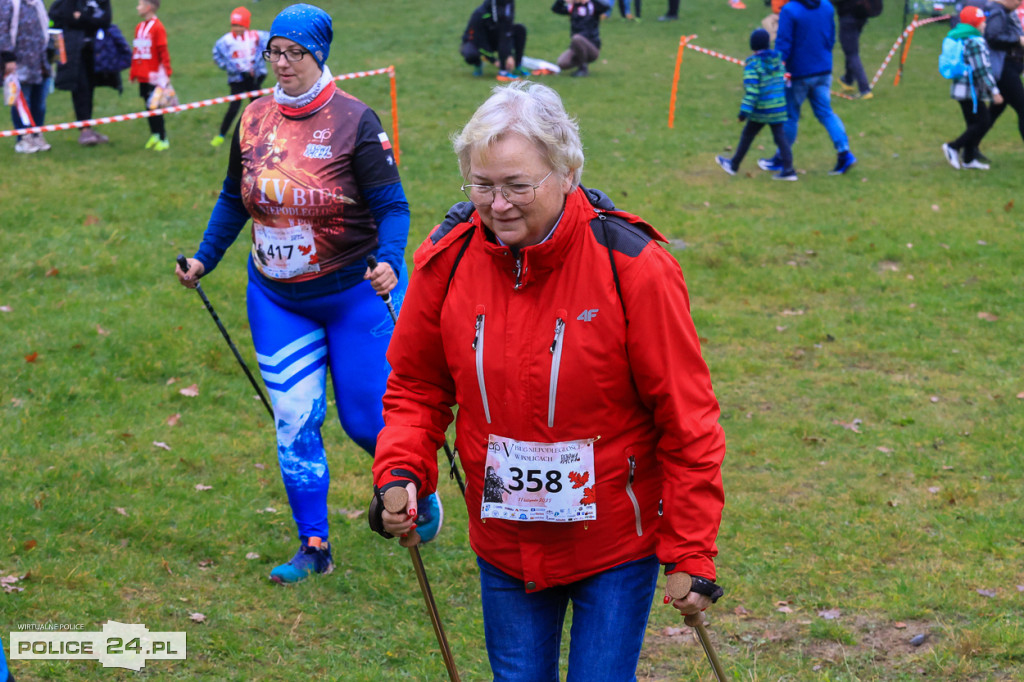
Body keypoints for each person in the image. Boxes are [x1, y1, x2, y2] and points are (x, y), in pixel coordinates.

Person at [368, 81, 726, 681]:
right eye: (482, 185)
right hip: (504, 541)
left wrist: (691, 549)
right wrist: (401, 470)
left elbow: (687, 420)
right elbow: (417, 386)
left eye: (517, 186)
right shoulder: (447, 260)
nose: (498, 205)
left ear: (567, 173)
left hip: (613, 544)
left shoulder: (634, 268)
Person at [174, 3, 435, 585]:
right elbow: (233, 197)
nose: (283, 62)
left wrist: (391, 261)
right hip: (278, 299)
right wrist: (204, 258)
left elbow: (393, 206)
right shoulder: (253, 118)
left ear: (320, 54)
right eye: (276, 51)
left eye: (296, 52)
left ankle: (415, 487)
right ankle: (313, 544)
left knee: (366, 423)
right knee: (295, 420)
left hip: (354, 295)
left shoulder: (355, 120)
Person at [761, 0, 857, 175]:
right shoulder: (826, 6)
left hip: (799, 73)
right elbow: (831, 37)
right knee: (826, 113)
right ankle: (844, 153)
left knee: (790, 116)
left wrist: (775, 68)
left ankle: (782, 158)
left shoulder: (790, 11)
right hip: (823, 69)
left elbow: (783, 44)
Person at [716, 28, 795, 179]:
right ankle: (789, 170)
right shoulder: (778, 61)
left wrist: (744, 112)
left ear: (753, 46)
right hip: (778, 107)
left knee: (747, 135)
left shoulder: (753, 65)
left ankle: (733, 165)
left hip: (761, 109)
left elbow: (752, 91)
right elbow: (782, 82)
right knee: (780, 138)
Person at [942, 6, 1002, 169]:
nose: (985, 24)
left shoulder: (962, 37)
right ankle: (953, 147)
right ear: (975, 24)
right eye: (982, 22)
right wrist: (994, 91)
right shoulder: (975, 43)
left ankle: (968, 159)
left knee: (973, 123)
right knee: (983, 122)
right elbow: (982, 70)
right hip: (970, 92)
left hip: (962, 90)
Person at [47, 0, 112, 146]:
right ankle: (84, 129)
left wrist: (82, 18)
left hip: (96, 51)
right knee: (80, 88)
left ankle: (88, 126)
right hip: (75, 51)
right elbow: (69, 19)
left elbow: (105, 21)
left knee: (90, 88)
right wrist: (91, 20)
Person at [210, 6, 268, 148]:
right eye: (234, 25)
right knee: (234, 108)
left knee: (259, 107)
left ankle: (263, 133)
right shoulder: (225, 41)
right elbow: (217, 56)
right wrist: (232, 70)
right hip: (237, 80)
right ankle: (221, 135)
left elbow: (269, 45)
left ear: (246, 26)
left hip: (253, 78)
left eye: (240, 25)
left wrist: (257, 68)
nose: (237, 28)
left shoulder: (255, 37)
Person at [1, 0, 51, 153]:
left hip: (40, 62)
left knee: (39, 102)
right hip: (19, 62)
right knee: (22, 101)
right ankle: (23, 138)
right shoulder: (8, 3)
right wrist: (8, 57)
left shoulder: (37, 3)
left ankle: (37, 134)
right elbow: (2, 31)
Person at [981, 0, 1024, 151]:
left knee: (993, 112)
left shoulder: (1004, 12)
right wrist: (1017, 40)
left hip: (1008, 67)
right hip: (1005, 69)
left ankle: (967, 147)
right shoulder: (997, 12)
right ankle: (962, 146)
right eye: (1017, 0)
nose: (1019, 4)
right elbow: (993, 37)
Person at [129, 0, 170, 151]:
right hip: (143, 76)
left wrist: (166, 72)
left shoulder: (158, 27)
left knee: (155, 106)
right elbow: (137, 52)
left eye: (140, 5)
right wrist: (134, 72)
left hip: (155, 76)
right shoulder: (139, 27)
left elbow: (163, 51)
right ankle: (155, 134)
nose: (137, 7)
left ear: (148, 7)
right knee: (147, 105)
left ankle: (163, 138)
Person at [460, 0, 528, 80]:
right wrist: (495, 61)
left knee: (520, 29)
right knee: (469, 52)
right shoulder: (479, 14)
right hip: (477, 41)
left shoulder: (507, 7)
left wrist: (508, 55)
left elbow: (506, 33)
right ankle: (478, 64)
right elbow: (479, 41)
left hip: (496, 40)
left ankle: (518, 65)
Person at [835, 0, 881, 99]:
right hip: (860, 15)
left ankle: (864, 89)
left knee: (851, 53)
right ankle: (847, 80)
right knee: (851, 49)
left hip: (849, 16)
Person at [552, 0, 610, 77]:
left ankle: (583, 68)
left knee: (577, 38)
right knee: (562, 63)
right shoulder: (573, 7)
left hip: (592, 48)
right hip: (576, 47)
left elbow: (606, 7)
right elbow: (556, 9)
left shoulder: (592, 6)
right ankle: (581, 60)